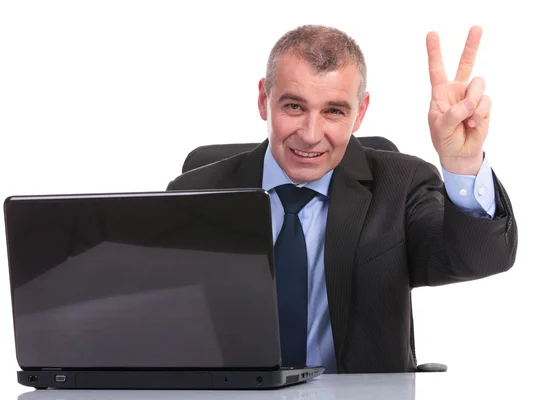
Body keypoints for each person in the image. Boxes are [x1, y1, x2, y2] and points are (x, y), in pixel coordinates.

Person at [166, 25, 518, 374]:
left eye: (333, 111)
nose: (310, 135)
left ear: (360, 112)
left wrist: (463, 164)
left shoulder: (401, 186)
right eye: (294, 106)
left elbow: (477, 258)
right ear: (263, 100)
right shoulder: (194, 195)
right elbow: (158, 320)